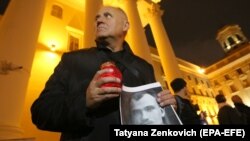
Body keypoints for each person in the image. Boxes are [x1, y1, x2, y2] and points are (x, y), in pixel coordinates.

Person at [31, 6, 176, 141]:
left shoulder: (144, 68)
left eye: (107, 16)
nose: (99, 20)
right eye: (97, 18)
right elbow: (41, 112)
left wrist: (169, 106)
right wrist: (85, 102)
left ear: (125, 26)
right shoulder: (72, 60)